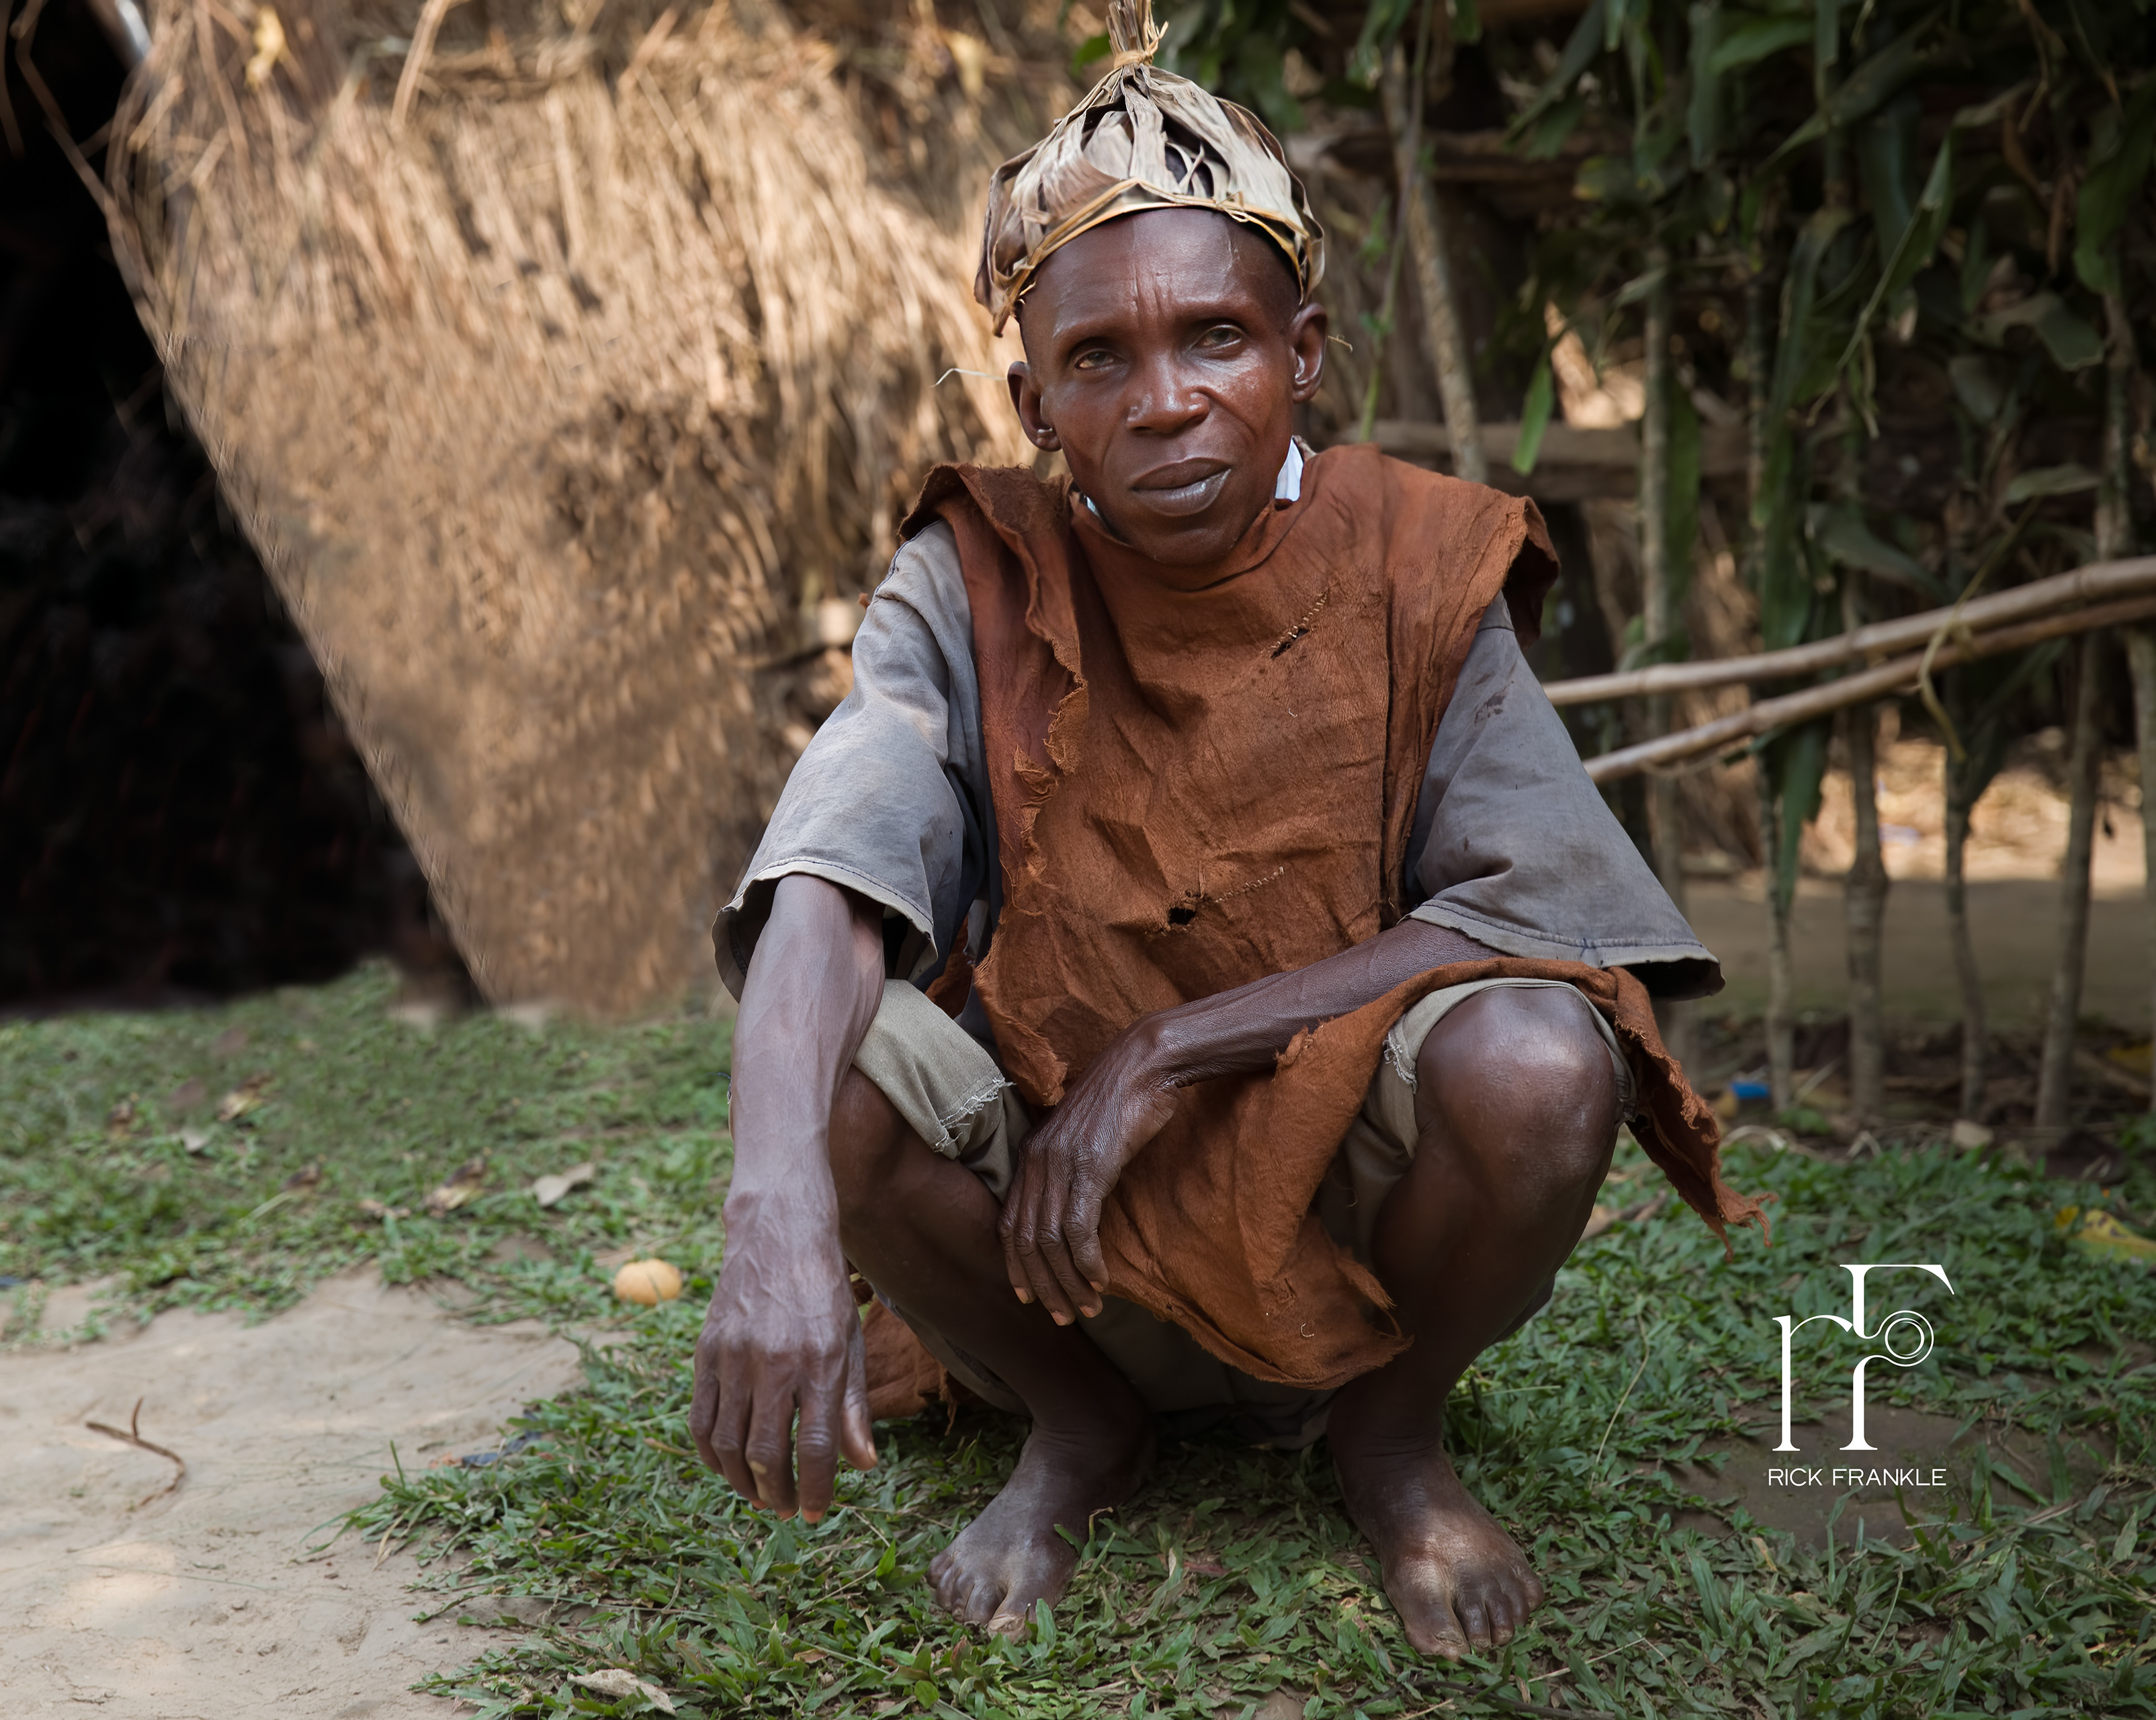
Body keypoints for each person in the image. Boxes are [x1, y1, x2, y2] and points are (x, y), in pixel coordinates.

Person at [689, 2, 1759, 1661]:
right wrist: (770, 1208)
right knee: (826, 1064)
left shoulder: (1418, 558)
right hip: (1045, 1235)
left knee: (1545, 1058)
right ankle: (1080, 1424)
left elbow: (1539, 899)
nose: (1168, 400)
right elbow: (835, 868)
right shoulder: (975, 578)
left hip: (1344, 1212)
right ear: (1036, 397)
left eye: (1218, 339)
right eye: (1099, 358)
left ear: (1305, 350)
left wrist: (1166, 1051)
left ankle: (1388, 1434)